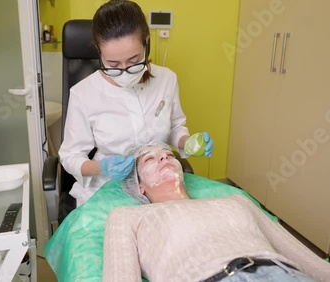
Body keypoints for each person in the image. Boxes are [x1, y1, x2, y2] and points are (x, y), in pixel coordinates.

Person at [102, 143, 330, 282]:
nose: (164, 159)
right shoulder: (129, 216)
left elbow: (305, 258)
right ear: (139, 187)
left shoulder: (236, 200)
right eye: (149, 160)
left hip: (285, 274)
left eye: (169, 155)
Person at [58, 0, 214, 206]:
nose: (124, 71)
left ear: (146, 42)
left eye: (133, 61)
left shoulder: (166, 79)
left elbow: (175, 127)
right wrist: (101, 167)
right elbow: (70, 156)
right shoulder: (83, 93)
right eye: (112, 64)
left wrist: (188, 142)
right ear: (98, 50)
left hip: (161, 188)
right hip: (107, 190)